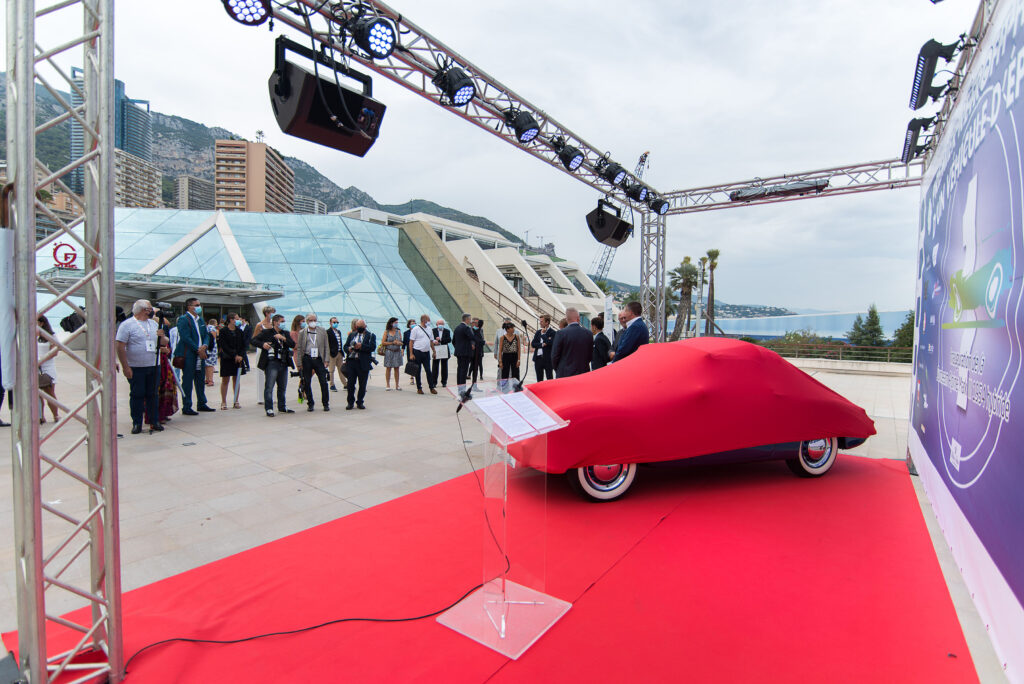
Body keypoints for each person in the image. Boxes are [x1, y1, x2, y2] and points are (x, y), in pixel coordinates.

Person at [115, 300, 162, 434]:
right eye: (150, 308)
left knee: (153, 394)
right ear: (144, 310)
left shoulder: (153, 323)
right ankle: (137, 422)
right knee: (137, 395)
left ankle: (154, 421)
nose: (152, 310)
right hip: (136, 366)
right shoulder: (127, 325)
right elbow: (120, 346)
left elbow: (163, 342)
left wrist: (162, 337)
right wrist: (126, 367)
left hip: (154, 365)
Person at [174, 297, 214, 415]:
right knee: (187, 380)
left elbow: (206, 335)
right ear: (189, 307)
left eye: (199, 305)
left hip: (200, 355)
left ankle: (202, 403)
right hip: (189, 354)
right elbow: (185, 337)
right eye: (196, 305)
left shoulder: (200, 320)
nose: (198, 307)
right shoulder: (183, 319)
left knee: (200, 379)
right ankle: (187, 406)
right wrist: (198, 349)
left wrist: (205, 345)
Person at [253, 314, 295, 417]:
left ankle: (282, 406)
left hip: (283, 361)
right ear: (276, 322)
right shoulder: (267, 332)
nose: (284, 323)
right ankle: (269, 408)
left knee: (282, 386)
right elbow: (253, 340)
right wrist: (263, 345)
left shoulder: (285, 333)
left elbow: (293, 344)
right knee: (269, 386)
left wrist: (283, 338)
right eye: (282, 321)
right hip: (272, 362)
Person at [295, 313, 331, 412]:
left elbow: (326, 346)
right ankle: (310, 403)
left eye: (315, 320)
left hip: (318, 358)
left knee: (323, 382)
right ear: (307, 322)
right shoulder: (303, 332)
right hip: (307, 358)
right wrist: (299, 363)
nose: (313, 322)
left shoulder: (322, 331)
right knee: (307, 382)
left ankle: (325, 403)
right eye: (311, 320)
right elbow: (299, 348)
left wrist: (326, 360)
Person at [551, 307, 593, 378]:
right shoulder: (588, 333)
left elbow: (554, 356)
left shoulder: (561, 333)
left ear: (566, 319)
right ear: (578, 318)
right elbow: (590, 355)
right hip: (583, 373)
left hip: (564, 374)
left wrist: (559, 369)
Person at [344, 319, 376, 409]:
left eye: (361, 327)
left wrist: (361, 346)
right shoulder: (352, 335)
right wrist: (349, 349)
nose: (359, 328)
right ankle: (350, 402)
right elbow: (345, 346)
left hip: (363, 362)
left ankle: (360, 401)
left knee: (362, 384)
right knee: (350, 384)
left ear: (365, 326)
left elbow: (372, 347)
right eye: (357, 327)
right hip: (352, 361)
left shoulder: (370, 335)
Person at [218, 313, 246, 410]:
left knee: (236, 379)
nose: (238, 321)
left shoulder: (240, 331)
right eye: (236, 319)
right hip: (227, 358)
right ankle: (223, 401)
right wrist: (234, 355)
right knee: (225, 380)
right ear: (231, 320)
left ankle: (236, 400)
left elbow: (243, 345)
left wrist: (240, 355)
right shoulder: (223, 331)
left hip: (238, 359)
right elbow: (223, 345)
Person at [37, 314, 60, 425]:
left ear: (42, 323)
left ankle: (55, 415)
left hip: (47, 366)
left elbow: (55, 351)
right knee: (37, 394)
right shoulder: (31, 335)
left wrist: (42, 360)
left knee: (50, 392)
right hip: (34, 367)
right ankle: (41, 416)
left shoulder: (51, 335)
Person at [250, 305, 276, 405]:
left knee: (272, 374)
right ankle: (261, 397)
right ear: (267, 313)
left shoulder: (274, 324)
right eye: (271, 312)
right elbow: (254, 338)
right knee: (261, 373)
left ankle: (270, 396)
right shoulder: (260, 325)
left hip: (272, 350)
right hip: (262, 350)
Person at [408, 314, 438, 394]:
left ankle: (431, 387)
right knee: (418, 370)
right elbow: (411, 342)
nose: (429, 322)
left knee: (428, 370)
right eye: (428, 320)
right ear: (424, 320)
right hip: (417, 352)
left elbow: (431, 341)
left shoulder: (429, 329)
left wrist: (434, 351)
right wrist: (411, 353)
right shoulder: (416, 329)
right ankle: (419, 388)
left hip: (426, 352)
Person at [452, 313, 476, 388]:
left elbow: (453, 341)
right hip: (465, 353)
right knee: (464, 371)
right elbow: (473, 337)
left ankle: (459, 386)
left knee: (459, 370)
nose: (470, 321)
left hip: (459, 352)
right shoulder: (466, 328)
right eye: (470, 319)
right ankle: (462, 388)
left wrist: (458, 348)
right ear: (467, 319)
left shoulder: (457, 328)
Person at [531, 314, 556, 382]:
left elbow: (551, 343)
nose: (540, 322)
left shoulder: (553, 332)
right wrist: (541, 345)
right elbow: (533, 344)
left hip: (548, 359)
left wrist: (544, 335)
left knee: (549, 379)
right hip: (538, 359)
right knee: (539, 380)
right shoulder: (538, 332)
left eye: (541, 321)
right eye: (540, 321)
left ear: (547, 322)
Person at [382, 317, 404, 390]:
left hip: (397, 352)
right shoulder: (386, 331)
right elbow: (383, 342)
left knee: (397, 368)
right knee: (388, 368)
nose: (396, 324)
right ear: (391, 323)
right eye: (395, 322)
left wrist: (398, 343)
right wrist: (392, 342)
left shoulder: (398, 331)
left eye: (397, 323)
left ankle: (397, 385)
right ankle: (387, 384)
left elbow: (402, 342)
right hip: (389, 351)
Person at [327, 316, 347, 392]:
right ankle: (332, 385)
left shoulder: (339, 332)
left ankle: (345, 384)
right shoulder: (328, 332)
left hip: (339, 352)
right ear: (330, 323)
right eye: (334, 322)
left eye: (337, 322)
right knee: (331, 370)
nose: (336, 324)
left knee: (341, 369)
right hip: (332, 354)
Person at [431, 319, 451, 388]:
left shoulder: (447, 331)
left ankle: (444, 382)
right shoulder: (433, 330)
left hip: (444, 349)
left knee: (444, 366)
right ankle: (434, 382)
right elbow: (430, 339)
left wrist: (441, 340)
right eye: (439, 324)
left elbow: (449, 339)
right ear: (436, 324)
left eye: (442, 324)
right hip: (436, 349)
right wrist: (434, 341)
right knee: (435, 366)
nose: (440, 325)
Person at [204, 318, 219, 387]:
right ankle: (210, 380)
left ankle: (207, 379)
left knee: (207, 365)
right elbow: (213, 337)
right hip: (211, 349)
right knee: (210, 365)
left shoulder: (206, 327)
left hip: (207, 348)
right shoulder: (212, 328)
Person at [403, 318, 416, 386]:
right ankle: (412, 377)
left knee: (417, 363)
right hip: (409, 350)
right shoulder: (406, 333)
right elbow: (404, 342)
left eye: (414, 323)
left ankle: (417, 377)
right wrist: (402, 350)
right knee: (411, 363)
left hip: (417, 349)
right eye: (411, 324)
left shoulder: (418, 331)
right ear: (409, 325)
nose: (413, 325)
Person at [472, 318, 486, 383]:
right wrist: (485, 342)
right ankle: (471, 377)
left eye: (476, 323)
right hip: (474, 350)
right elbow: (478, 340)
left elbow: (481, 339)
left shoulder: (479, 330)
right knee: (474, 365)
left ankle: (480, 376)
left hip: (479, 350)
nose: (475, 324)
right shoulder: (473, 330)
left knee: (479, 364)